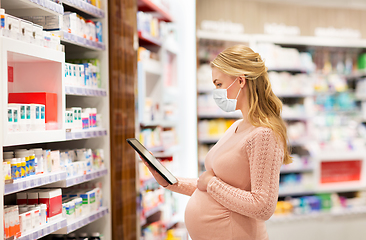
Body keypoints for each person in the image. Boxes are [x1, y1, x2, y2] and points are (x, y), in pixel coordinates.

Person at [142, 45, 292, 240]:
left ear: (240, 80)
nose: (216, 92)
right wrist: (172, 182)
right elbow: (211, 187)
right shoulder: (238, 126)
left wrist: (212, 183)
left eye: (219, 84)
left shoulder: (264, 134)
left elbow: (263, 207)